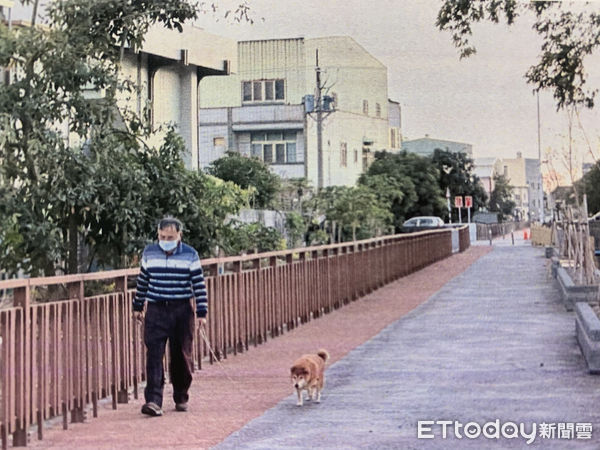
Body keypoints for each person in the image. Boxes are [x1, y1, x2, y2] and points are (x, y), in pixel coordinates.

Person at [133, 216, 208, 417]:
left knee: (181, 355)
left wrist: (202, 312)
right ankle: (153, 400)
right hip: (156, 308)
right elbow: (143, 281)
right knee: (154, 355)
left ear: (179, 236)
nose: (166, 240)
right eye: (162, 236)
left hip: (181, 309)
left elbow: (199, 285)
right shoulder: (149, 253)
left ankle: (181, 395)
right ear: (158, 235)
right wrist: (138, 305)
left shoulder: (190, 255)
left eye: (170, 236)